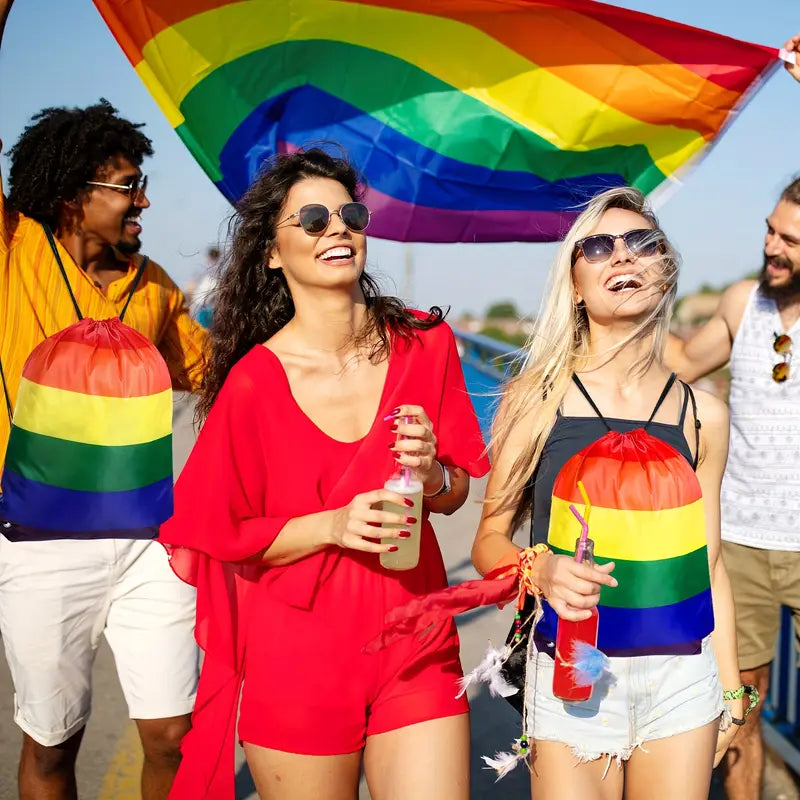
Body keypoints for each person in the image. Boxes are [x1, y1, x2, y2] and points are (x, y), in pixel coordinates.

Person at [158, 147, 490, 800]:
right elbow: (216, 532)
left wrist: (430, 480)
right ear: (273, 253)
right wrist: (331, 525)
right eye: (311, 218)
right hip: (297, 661)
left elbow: (456, 492)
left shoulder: (426, 345)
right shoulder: (253, 382)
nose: (337, 227)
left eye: (350, 214)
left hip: (415, 647)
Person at [471, 186, 743, 800]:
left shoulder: (705, 415)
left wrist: (728, 689)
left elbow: (711, 565)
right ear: (574, 283)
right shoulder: (534, 401)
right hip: (571, 666)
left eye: (642, 243)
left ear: (665, 271)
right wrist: (538, 570)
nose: (623, 255)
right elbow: (488, 540)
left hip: (682, 673)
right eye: (597, 246)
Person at [0, 3, 207, 799]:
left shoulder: (153, 287)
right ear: (70, 195)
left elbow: (219, 372)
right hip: (38, 542)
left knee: (174, 735)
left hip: (148, 544)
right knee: (53, 745)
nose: (143, 202)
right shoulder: (15, 246)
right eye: (128, 187)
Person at [664, 46, 800, 800]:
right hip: (741, 542)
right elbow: (679, 370)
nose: (772, 248)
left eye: (791, 241)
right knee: (738, 714)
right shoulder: (744, 303)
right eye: (771, 232)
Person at [188, 245, 221, 328]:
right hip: (202, 307)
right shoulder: (219, 271)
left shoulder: (203, 270)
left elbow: (191, 286)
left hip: (207, 307)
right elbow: (192, 286)